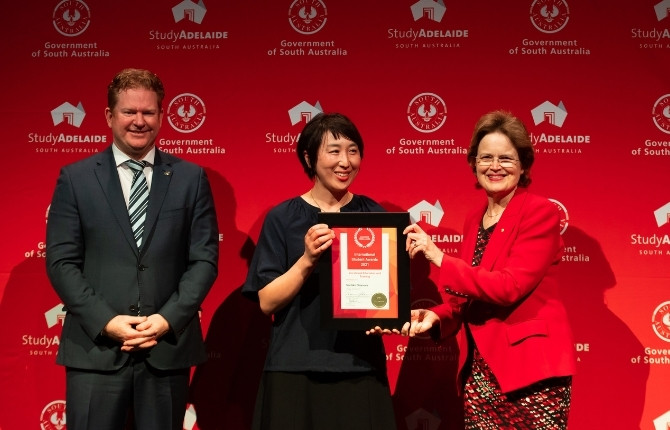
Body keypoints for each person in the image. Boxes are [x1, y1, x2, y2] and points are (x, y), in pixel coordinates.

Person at [46, 68, 219, 430]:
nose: (139, 121)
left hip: (166, 348)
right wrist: (107, 322)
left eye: (148, 112)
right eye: (129, 112)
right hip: (95, 349)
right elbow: (61, 262)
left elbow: (204, 260)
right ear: (110, 116)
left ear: (161, 115)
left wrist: (166, 320)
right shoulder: (75, 179)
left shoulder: (191, 178)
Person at [401, 110, 576, 429]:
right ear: (474, 163)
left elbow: (508, 287)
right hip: (480, 373)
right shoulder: (474, 218)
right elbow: (469, 296)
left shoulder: (540, 212)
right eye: (486, 158)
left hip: (530, 373)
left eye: (505, 158)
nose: (495, 166)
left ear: (523, 164)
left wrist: (439, 257)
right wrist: (436, 316)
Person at [242, 113, 397, 430]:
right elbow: (267, 302)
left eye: (353, 151)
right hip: (294, 367)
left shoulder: (374, 216)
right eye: (334, 151)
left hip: (360, 367)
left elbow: (388, 298)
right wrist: (307, 260)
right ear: (309, 158)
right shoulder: (283, 217)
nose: (345, 162)